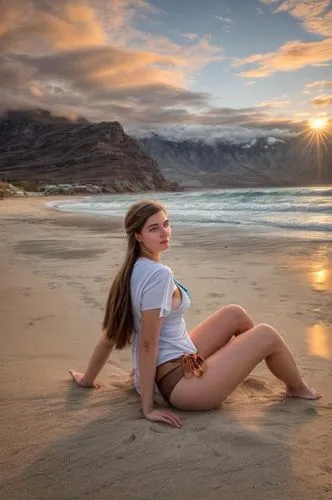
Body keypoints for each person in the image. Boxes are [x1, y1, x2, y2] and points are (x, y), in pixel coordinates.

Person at [69, 200, 320, 428]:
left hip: (166, 369)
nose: (164, 232)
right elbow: (147, 342)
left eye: (166, 224)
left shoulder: (132, 270)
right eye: (153, 228)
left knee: (235, 314)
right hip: (177, 386)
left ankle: (231, 371)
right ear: (138, 236)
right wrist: (148, 408)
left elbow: (109, 335)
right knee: (267, 335)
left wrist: (87, 379)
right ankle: (297, 388)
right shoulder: (158, 275)